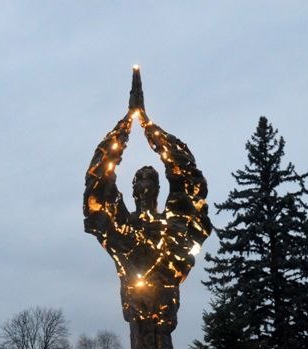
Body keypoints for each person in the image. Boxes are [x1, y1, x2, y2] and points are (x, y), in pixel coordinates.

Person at [83, 67, 212, 329]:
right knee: (139, 348)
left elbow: (188, 176)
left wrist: (147, 124)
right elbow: (98, 183)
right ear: (132, 189)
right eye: (139, 180)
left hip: (165, 305)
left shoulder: (172, 224)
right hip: (134, 304)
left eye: (149, 180)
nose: (144, 185)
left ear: (158, 187)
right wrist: (125, 125)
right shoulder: (123, 225)